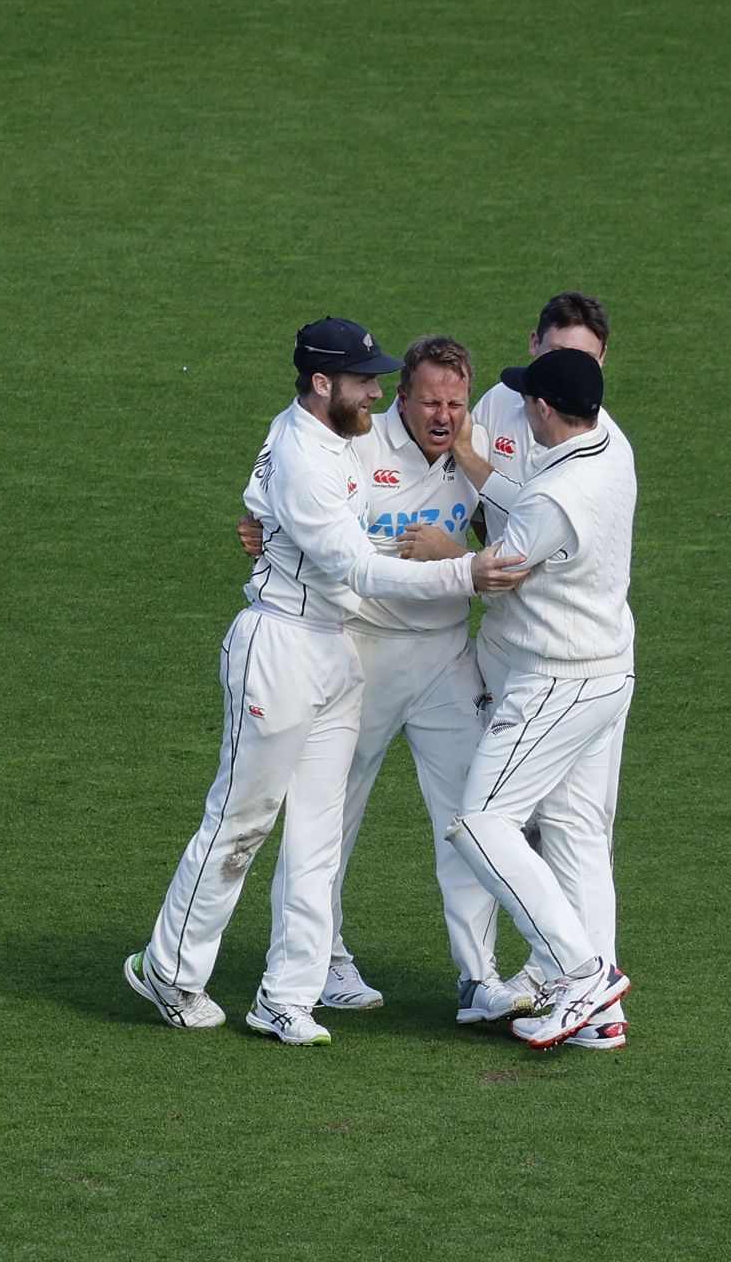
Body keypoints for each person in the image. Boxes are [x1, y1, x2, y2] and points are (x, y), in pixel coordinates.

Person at [126, 317, 528, 1047]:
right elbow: (355, 567)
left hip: (337, 653)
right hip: (280, 644)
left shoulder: (333, 440)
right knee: (241, 821)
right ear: (322, 383)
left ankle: (288, 994)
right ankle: (169, 968)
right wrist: (464, 570)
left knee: (317, 829)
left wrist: (263, 525)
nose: (374, 393)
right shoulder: (304, 455)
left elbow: (288, 521)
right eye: (364, 381)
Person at [239, 336, 530, 1023]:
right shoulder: (357, 442)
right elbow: (291, 501)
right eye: (429, 399)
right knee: (327, 819)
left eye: (455, 402)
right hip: (361, 651)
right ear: (401, 397)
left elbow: (522, 536)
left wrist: (459, 542)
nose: (443, 413)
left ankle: (478, 978)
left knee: (468, 817)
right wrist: (262, 527)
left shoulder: (476, 448)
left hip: (444, 657)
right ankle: (326, 962)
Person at [430, 347, 637, 1050]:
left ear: (546, 410)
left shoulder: (556, 496)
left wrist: (439, 554)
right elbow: (530, 511)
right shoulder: (611, 443)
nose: (520, 409)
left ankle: (582, 974)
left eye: (527, 402)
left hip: (556, 681)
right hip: (609, 673)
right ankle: (601, 1015)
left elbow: (501, 572)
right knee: (577, 835)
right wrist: (476, 464)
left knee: (483, 821)